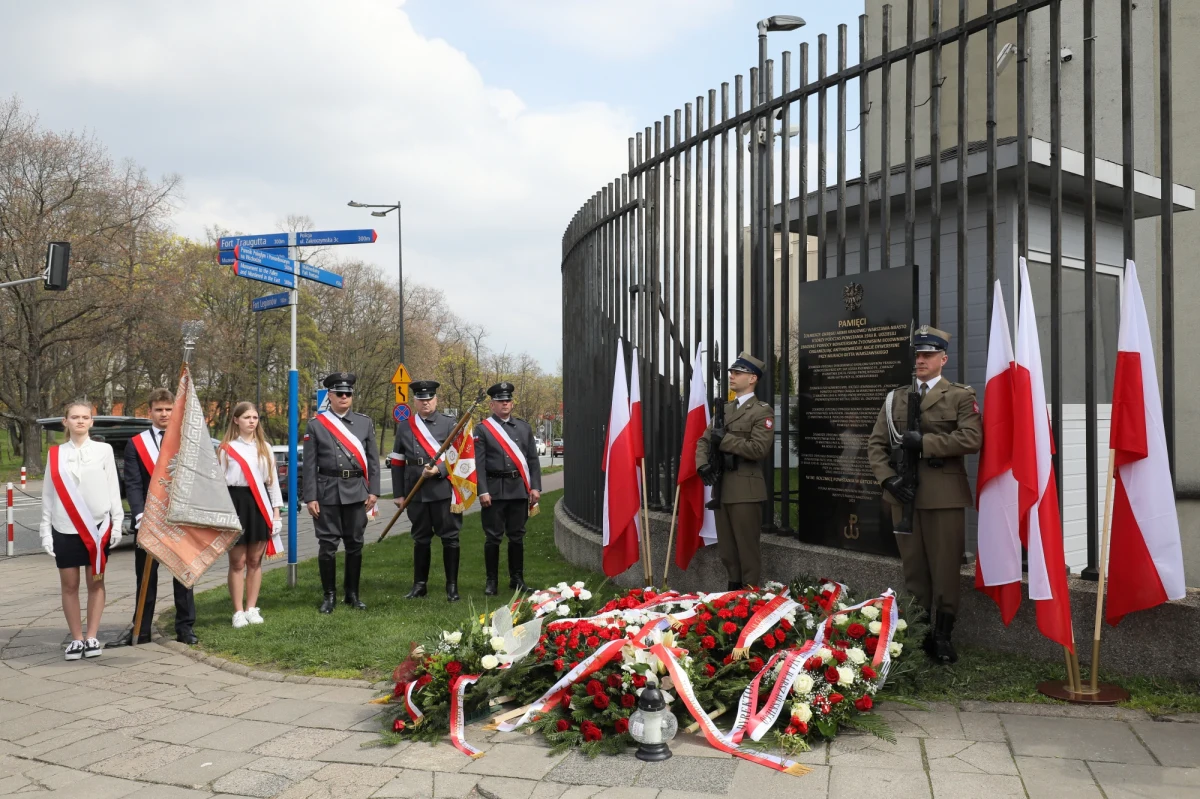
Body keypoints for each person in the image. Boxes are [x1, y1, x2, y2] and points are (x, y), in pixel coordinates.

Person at [867, 325, 982, 664]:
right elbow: (876, 444)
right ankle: (917, 630)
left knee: (945, 567)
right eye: (918, 354)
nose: (921, 360)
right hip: (903, 495)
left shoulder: (960, 396)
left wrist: (926, 443)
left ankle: (943, 635)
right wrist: (888, 481)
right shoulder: (895, 398)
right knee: (914, 567)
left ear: (943, 359)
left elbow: (971, 440)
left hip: (943, 495)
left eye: (928, 354)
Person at [39, 400, 123, 660]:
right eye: (74, 417)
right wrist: (44, 530)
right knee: (69, 585)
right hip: (64, 527)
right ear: (65, 421)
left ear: (91, 422)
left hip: (98, 527)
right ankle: (76, 638)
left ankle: (92, 636)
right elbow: (48, 495)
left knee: (96, 582)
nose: (80, 421)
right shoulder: (55, 454)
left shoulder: (104, 450)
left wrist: (118, 521)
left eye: (85, 417)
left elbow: (113, 488)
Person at [115, 388, 197, 647]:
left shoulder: (186, 441)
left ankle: (185, 628)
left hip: (179, 520)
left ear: (175, 411)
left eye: (169, 409)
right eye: (159, 409)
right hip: (148, 521)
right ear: (149, 412)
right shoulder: (136, 443)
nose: (164, 414)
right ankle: (142, 628)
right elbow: (134, 484)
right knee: (146, 578)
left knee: (183, 576)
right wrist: (140, 515)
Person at [695, 352, 774, 590]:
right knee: (727, 549)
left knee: (746, 548)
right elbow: (703, 441)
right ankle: (733, 592)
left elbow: (759, 449)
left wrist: (725, 439)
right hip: (722, 487)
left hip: (745, 489)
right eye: (731, 372)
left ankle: (749, 595)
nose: (732, 376)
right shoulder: (725, 410)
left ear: (752, 378)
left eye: (737, 373)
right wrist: (702, 464)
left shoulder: (761, 411)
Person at [302, 373, 380, 614]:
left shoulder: (364, 422)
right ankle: (329, 596)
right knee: (327, 546)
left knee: (355, 544)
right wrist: (311, 497)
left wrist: (374, 491)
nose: (345, 397)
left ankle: (352, 594)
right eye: (339, 393)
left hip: (356, 491)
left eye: (348, 393)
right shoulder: (316, 425)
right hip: (327, 492)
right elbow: (309, 465)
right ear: (331, 396)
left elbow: (373, 460)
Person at [391, 380, 461, 602]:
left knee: (450, 538)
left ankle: (451, 587)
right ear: (415, 402)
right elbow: (398, 461)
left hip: (442, 488)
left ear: (436, 399)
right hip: (416, 490)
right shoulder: (405, 426)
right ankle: (419, 585)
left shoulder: (449, 424)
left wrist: (439, 470)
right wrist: (398, 494)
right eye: (421, 399)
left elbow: (458, 456)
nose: (426, 403)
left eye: (429, 398)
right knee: (420, 539)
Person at [218, 402, 284, 628]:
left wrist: (276, 514)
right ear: (236, 420)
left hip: (259, 504)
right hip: (235, 504)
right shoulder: (226, 449)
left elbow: (272, 483)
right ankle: (238, 611)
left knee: (255, 560)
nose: (252, 421)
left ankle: (252, 608)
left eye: (255, 417)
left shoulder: (265, 447)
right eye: (247, 417)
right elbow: (218, 484)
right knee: (238, 561)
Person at [474, 381, 542, 595]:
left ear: (512, 404)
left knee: (517, 536)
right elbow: (479, 463)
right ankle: (491, 581)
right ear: (492, 405)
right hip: (493, 491)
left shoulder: (523, 427)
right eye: (500, 401)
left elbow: (532, 460)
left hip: (518, 489)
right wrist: (482, 490)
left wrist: (535, 487)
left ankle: (517, 579)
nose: (504, 404)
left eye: (507, 401)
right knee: (493, 537)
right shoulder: (483, 429)